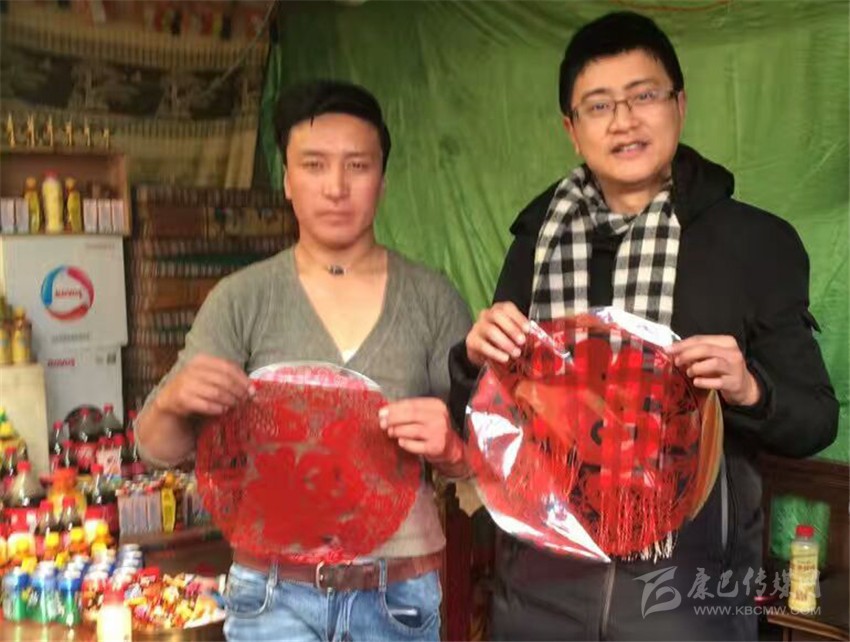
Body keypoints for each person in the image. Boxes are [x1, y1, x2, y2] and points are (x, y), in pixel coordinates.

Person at [449, 11, 838, 641]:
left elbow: (816, 419)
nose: (624, 120)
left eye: (644, 96)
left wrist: (748, 388)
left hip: (686, 593)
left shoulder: (754, 244)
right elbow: (495, 420)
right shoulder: (537, 243)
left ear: (679, 105)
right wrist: (473, 362)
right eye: (599, 105)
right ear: (572, 129)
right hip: (542, 585)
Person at [137, 80, 472, 641]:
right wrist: (173, 400)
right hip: (273, 595)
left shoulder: (432, 298)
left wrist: (453, 449)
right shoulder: (243, 299)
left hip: (397, 596)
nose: (336, 187)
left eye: (357, 166)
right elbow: (155, 449)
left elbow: (485, 462)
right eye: (314, 165)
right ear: (288, 180)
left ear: (383, 180)